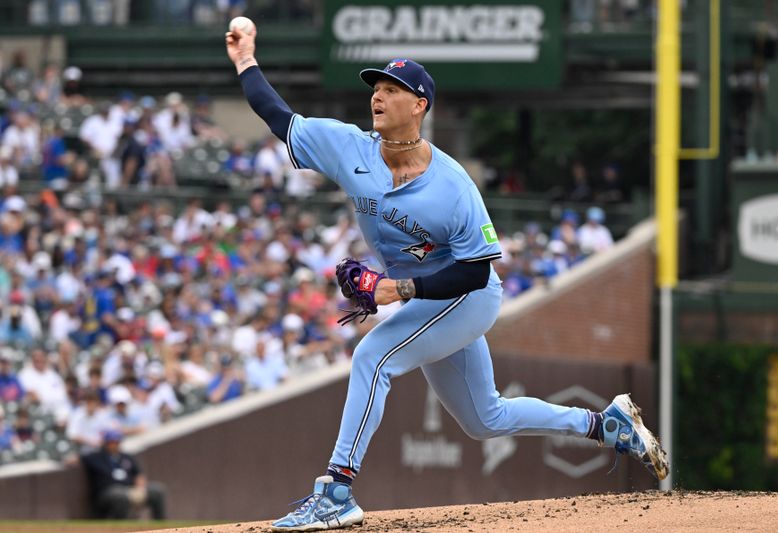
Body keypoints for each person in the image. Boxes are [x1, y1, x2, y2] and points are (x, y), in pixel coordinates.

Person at [226, 25, 668, 532]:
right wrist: (246, 60)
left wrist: (399, 289)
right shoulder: (351, 149)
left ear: (420, 106)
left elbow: (476, 270)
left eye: (392, 90)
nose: (378, 95)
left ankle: (336, 490)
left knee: (373, 356)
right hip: (428, 300)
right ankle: (603, 424)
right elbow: (279, 118)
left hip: (470, 297)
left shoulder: (454, 185)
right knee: (486, 419)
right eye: (376, 87)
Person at [81, 429, 166, 519]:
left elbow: (138, 474)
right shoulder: (96, 457)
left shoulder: (126, 457)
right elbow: (79, 458)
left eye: (117, 442)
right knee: (121, 496)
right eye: (112, 442)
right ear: (106, 443)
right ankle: (121, 527)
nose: (115, 444)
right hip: (108, 492)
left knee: (157, 490)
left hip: (130, 488)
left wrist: (140, 488)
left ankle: (161, 525)